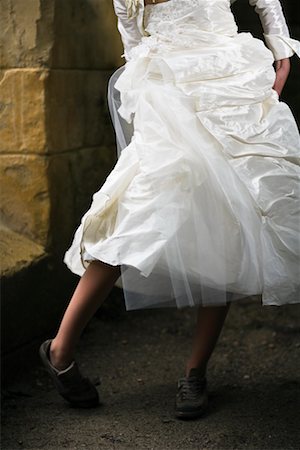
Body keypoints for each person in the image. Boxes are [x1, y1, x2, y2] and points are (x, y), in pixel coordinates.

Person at [39, 0, 300, 419]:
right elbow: (128, 22)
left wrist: (280, 45)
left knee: (227, 214)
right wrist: (141, 89)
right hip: (166, 79)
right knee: (137, 209)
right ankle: (60, 350)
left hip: (228, 71)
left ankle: (196, 372)